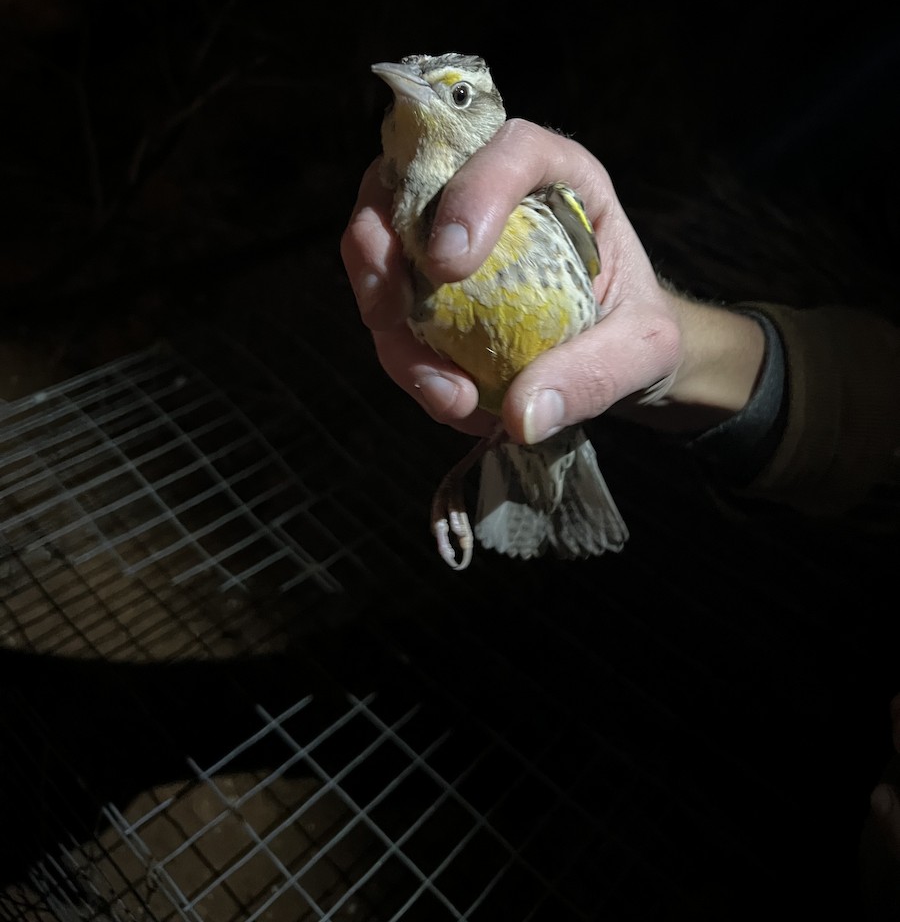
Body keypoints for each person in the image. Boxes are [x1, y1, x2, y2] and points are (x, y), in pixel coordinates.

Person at [341, 114, 900, 912]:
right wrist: (662, 353)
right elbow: (871, 413)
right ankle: (486, 465)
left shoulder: (532, 207)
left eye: (458, 93)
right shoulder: (429, 210)